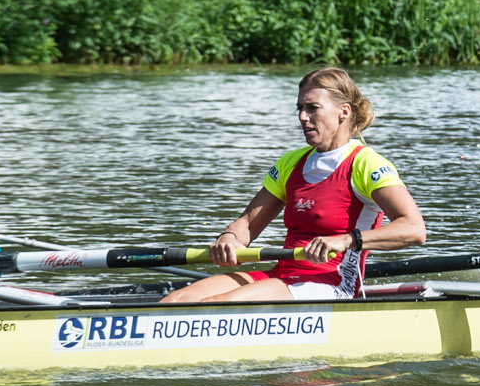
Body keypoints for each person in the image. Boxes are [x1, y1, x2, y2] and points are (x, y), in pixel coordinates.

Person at [160, 68, 426, 304]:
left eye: (312, 108)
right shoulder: (292, 162)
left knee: (219, 303)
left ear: (343, 111)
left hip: (330, 284)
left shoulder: (365, 163)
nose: (302, 116)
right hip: (282, 274)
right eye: (300, 108)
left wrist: (347, 240)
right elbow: (249, 224)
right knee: (177, 299)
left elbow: (414, 229)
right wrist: (229, 238)